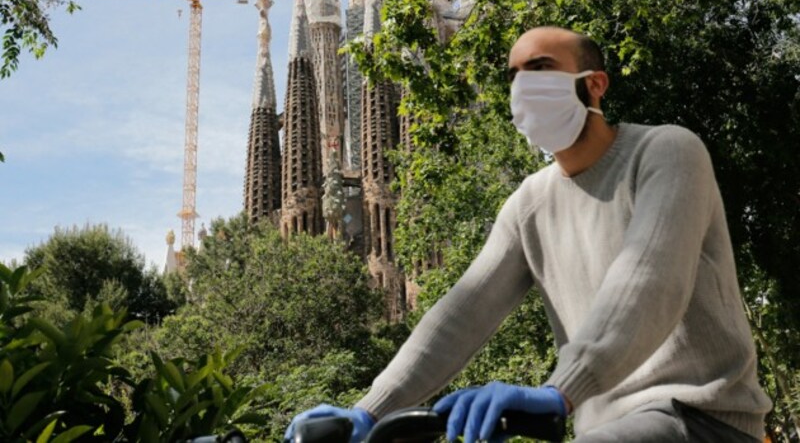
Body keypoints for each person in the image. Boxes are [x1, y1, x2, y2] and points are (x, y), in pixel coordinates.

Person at [284, 26, 772, 443]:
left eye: (540, 69)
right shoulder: (529, 203)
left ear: (594, 84)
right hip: (601, 427)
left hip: (702, 418)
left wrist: (560, 389)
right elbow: (463, 313)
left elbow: (649, 282)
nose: (523, 86)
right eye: (514, 76)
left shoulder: (667, 151)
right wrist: (370, 410)